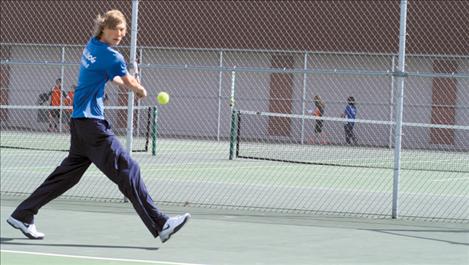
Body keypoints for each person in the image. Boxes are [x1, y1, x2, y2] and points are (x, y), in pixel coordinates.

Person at [6, 10, 190, 243]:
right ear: (104, 28)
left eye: (123, 30)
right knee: (128, 168)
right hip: (92, 125)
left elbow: (108, 75)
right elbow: (127, 80)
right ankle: (161, 223)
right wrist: (139, 88)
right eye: (116, 29)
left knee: (66, 177)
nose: (120, 34)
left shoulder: (92, 46)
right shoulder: (113, 57)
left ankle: (23, 214)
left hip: (80, 123)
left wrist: (125, 81)